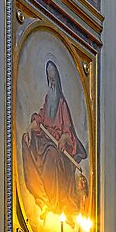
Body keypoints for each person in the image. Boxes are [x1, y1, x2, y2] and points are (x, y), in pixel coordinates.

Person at [20, 60, 89, 219]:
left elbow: (68, 130)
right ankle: (41, 198)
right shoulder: (48, 98)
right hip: (45, 139)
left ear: (57, 80)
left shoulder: (62, 103)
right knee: (25, 140)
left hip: (57, 146)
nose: (51, 83)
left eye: (53, 80)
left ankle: (54, 203)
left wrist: (64, 138)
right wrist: (33, 125)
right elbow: (42, 117)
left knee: (51, 154)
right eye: (49, 79)